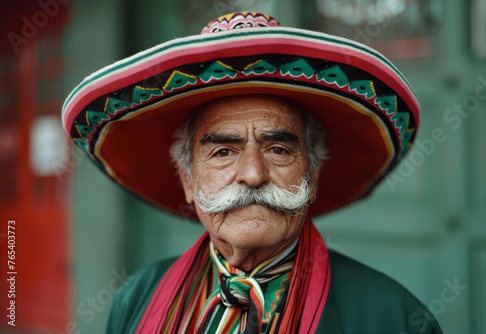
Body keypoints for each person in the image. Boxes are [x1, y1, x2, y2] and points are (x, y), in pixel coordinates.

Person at [62, 12, 443, 334]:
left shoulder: (393, 318)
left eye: (278, 149)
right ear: (188, 180)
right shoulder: (136, 297)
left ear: (311, 174)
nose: (253, 173)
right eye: (223, 151)